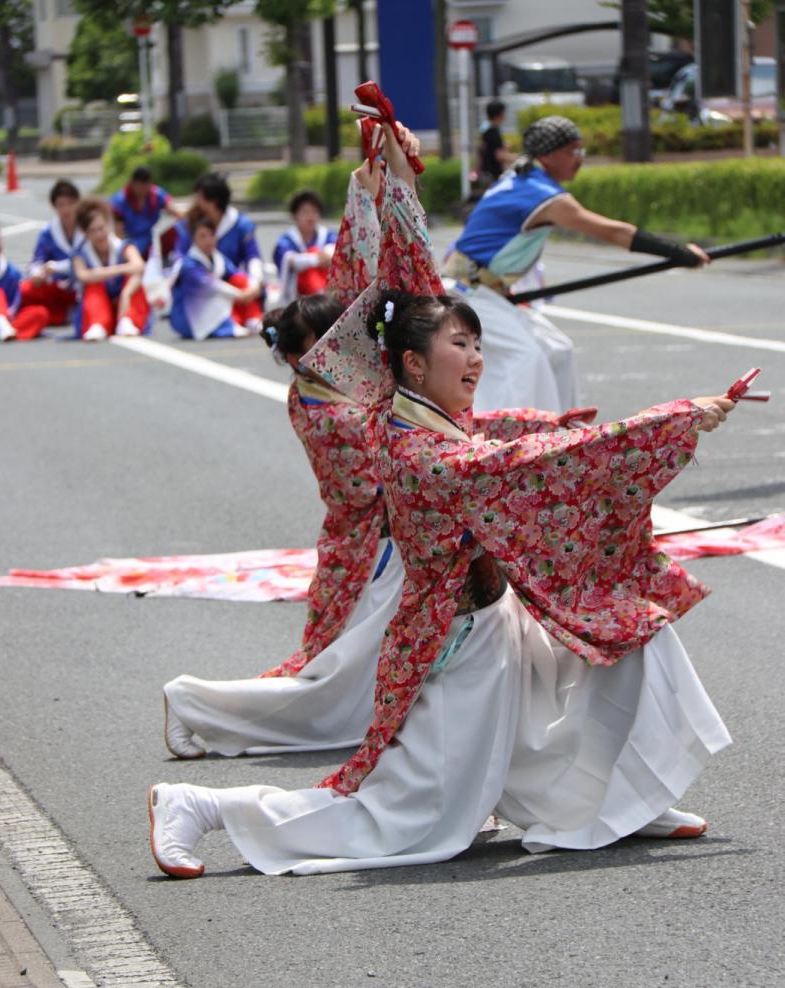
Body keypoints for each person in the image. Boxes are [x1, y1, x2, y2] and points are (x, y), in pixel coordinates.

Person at [147, 121, 734, 880]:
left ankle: (612, 799)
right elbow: (527, 465)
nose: (476, 357)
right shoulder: (409, 443)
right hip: (451, 643)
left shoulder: (421, 408)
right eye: (460, 346)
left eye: (477, 343)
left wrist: (389, 181)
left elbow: (406, 284)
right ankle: (202, 805)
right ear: (413, 365)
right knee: (401, 815)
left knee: (629, 633)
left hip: (497, 620)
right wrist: (672, 420)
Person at [162, 155, 403, 759]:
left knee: (345, 676)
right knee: (330, 686)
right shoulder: (334, 413)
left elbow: (354, 294)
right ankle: (195, 701)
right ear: (320, 352)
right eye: (338, 337)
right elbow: (390, 468)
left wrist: (368, 191)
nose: (354, 340)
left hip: (368, 545)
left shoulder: (318, 389)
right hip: (369, 551)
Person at [448, 115, 710, 414]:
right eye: (573, 151)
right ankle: (510, 438)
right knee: (526, 356)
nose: (580, 159)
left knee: (558, 349)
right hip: (467, 291)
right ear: (548, 155)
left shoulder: (525, 180)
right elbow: (612, 232)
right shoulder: (540, 193)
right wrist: (678, 253)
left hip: (488, 291)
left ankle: (564, 430)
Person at [173, 172, 264, 332]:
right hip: (200, 289)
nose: (195, 201)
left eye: (199, 197)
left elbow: (253, 257)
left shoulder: (240, 224)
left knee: (242, 280)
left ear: (213, 201)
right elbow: (179, 259)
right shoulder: (190, 224)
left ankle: (252, 318)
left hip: (233, 283)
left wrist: (255, 284)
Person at [168, 207, 267, 340]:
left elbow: (235, 275)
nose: (208, 240)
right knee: (219, 295)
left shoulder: (218, 258)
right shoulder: (188, 264)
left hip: (217, 298)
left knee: (240, 280)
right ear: (193, 239)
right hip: (189, 314)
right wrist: (241, 295)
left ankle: (252, 318)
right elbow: (211, 285)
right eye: (203, 236)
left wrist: (253, 287)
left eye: (211, 235)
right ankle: (230, 326)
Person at [71, 198, 150, 340]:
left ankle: (127, 320)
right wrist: (120, 269)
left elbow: (139, 266)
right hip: (98, 307)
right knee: (93, 285)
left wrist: (125, 293)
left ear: (108, 225)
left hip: (124, 304)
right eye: (93, 231)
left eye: (101, 228)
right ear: (85, 233)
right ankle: (97, 324)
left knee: (133, 281)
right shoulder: (80, 253)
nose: (99, 235)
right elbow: (83, 275)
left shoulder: (123, 246)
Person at [20, 178, 84, 326]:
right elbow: (37, 260)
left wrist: (57, 266)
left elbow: (91, 261)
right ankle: (62, 313)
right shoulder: (48, 233)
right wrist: (37, 273)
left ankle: (64, 313)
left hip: (82, 286)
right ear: (54, 206)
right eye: (61, 205)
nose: (66, 209)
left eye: (70, 204)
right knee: (24, 290)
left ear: (78, 204)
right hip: (56, 287)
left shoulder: (88, 228)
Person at [0, 213, 49, 341]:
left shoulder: (12, 272)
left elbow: (14, 303)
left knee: (40, 313)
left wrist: (3, 315)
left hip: (7, 318)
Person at [273, 189, 337, 306]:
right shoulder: (286, 240)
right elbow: (290, 260)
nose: (310, 216)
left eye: (314, 211)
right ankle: (321, 299)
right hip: (297, 296)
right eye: (305, 212)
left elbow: (335, 254)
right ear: (294, 215)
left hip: (326, 286)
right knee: (311, 259)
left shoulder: (328, 235)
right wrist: (316, 259)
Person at [110, 165, 183, 260]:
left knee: (177, 230)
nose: (143, 190)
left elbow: (177, 212)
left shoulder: (156, 195)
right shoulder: (120, 201)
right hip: (131, 243)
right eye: (140, 186)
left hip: (151, 241)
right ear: (132, 184)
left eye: (146, 186)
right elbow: (117, 234)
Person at [477, 100, 515, 186]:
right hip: (493, 175)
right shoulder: (493, 131)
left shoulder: (485, 128)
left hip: (485, 173)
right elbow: (499, 155)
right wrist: (518, 158)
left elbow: (487, 148)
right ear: (500, 113)